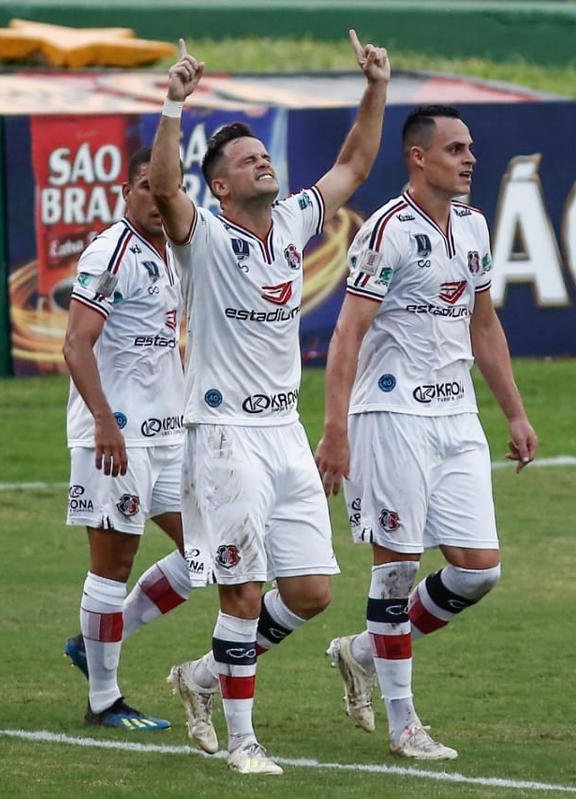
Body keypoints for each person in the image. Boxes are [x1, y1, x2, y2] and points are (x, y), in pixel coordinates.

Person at [148, 33, 390, 774]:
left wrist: (375, 87)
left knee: (312, 591)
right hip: (223, 433)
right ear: (219, 185)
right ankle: (244, 742)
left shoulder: (291, 223)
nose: (263, 161)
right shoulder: (202, 235)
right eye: (247, 159)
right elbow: (164, 189)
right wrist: (173, 104)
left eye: (265, 154)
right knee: (243, 593)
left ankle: (201, 677)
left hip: (283, 429)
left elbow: (352, 164)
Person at [315, 105, 539, 760]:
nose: (470, 158)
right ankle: (403, 721)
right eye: (456, 148)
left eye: (471, 148)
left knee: (479, 573)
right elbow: (347, 334)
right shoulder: (385, 232)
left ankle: (360, 651)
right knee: (397, 569)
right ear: (418, 157)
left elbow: (485, 325)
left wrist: (515, 412)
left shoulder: (473, 226)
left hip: (457, 416)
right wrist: (335, 428)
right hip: (389, 418)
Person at [61, 146, 203, 731]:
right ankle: (103, 700)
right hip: (117, 437)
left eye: (163, 187)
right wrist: (103, 421)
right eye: (144, 186)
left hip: (169, 434)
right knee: (114, 562)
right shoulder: (111, 250)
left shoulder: (172, 251)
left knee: (206, 553)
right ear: (126, 190)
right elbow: (75, 343)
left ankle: (95, 637)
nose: (154, 198)